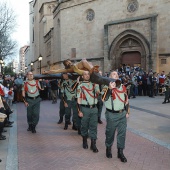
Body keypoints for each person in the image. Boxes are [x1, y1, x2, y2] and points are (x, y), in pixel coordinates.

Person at [101, 71, 130, 163]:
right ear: (109, 77)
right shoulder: (106, 87)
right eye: (113, 74)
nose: (116, 75)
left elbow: (126, 100)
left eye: (117, 74)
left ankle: (120, 152)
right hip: (111, 115)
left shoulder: (123, 87)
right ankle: (108, 148)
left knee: (122, 134)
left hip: (122, 114)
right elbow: (103, 99)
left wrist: (127, 111)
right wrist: (110, 89)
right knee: (110, 133)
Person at [77, 71, 100, 153]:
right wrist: (79, 110)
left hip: (94, 108)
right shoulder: (80, 86)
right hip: (85, 108)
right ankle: (84, 141)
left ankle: (93, 144)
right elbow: (79, 99)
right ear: (82, 76)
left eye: (88, 74)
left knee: (94, 126)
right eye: (85, 74)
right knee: (84, 125)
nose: (87, 75)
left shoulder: (94, 84)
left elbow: (98, 93)